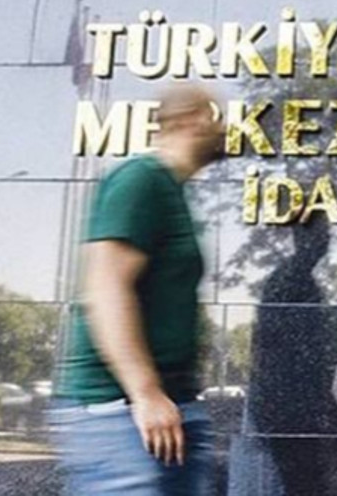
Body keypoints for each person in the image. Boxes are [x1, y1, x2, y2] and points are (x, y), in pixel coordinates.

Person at [50, 84, 226, 495]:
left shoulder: (172, 190)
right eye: (216, 117)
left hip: (167, 411)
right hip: (120, 418)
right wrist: (145, 393)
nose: (223, 129)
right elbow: (106, 287)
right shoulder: (141, 180)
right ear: (191, 118)